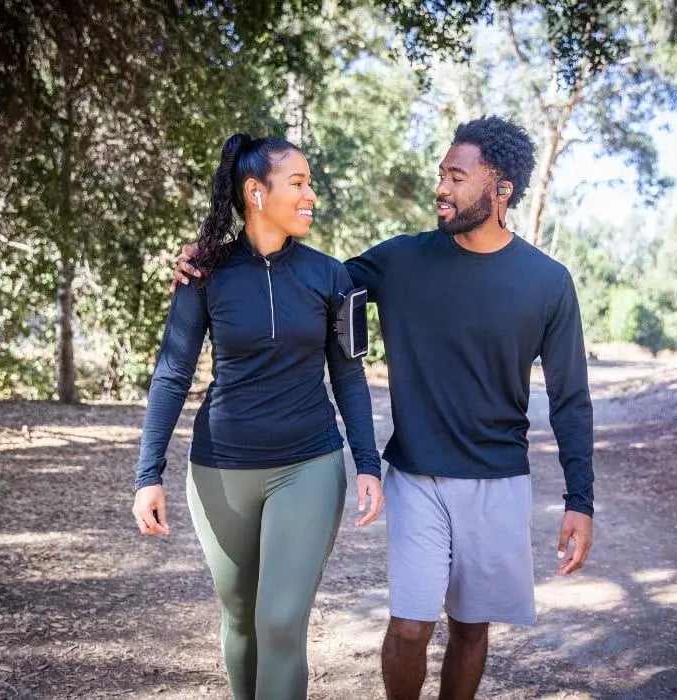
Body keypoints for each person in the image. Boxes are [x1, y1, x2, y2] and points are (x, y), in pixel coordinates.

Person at [171, 116, 594, 700]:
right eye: (440, 174)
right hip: (415, 473)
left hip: (499, 478)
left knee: (472, 627)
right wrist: (216, 258)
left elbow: (571, 398)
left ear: (501, 191)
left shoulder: (548, 282)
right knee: (411, 625)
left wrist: (580, 498)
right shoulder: (397, 261)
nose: (441, 188)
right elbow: (307, 275)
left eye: (457, 176)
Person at [134, 133, 384, 700]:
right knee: (241, 618)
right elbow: (173, 373)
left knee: (280, 620)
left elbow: (348, 376)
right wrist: (148, 475)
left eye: (310, 183)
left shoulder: (333, 277)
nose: (311, 195)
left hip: (308, 465)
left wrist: (367, 462)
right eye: (298, 182)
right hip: (219, 473)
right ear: (255, 192)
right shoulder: (204, 273)